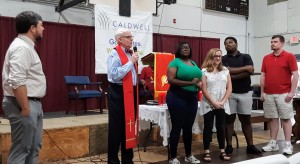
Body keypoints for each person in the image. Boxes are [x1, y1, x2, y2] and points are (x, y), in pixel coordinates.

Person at [2, 11, 46, 164]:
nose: (43, 29)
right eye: (41, 25)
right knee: (22, 149)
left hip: (31, 102)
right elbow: (17, 80)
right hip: (22, 103)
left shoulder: (26, 46)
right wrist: (25, 108)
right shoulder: (22, 48)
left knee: (33, 148)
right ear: (32, 28)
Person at [222, 36, 262, 156]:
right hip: (230, 93)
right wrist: (244, 70)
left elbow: (250, 71)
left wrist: (231, 72)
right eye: (225, 43)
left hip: (245, 93)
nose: (228, 45)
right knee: (229, 120)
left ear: (236, 44)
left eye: (230, 42)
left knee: (246, 120)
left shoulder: (246, 56)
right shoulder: (223, 59)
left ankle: (250, 145)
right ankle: (229, 145)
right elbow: (225, 73)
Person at [260, 35, 299, 155]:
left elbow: (295, 75)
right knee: (273, 119)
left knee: (286, 119)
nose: (272, 43)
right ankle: (273, 143)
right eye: (271, 41)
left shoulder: (289, 56)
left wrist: (292, 92)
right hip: (269, 94)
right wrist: (262, 92)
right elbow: (263, 76)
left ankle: (287, 144)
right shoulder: (266, 58)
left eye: (275, 42)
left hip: (284, 94)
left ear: (282, 43)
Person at [166, 41, 202, 164]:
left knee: (188, 127)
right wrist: (191, 83)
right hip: (177, 96)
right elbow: (171, 80)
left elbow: (197, 79)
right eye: (183, 47)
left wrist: (198, 84)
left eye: (187, 47)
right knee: (177, 126)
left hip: (192, 98)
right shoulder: (174, 62)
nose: (186, 49)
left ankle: (188, 155)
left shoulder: (193, 62)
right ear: (179, 50)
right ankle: (173, 157)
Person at [107, 28, 139, 164]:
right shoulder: (114, 54)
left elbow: (132, 75)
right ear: (119, 39)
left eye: (131, 37)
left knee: (128, 127)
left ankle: (127, 159)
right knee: (116, 128)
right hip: (118, 93)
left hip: (130, 93)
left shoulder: (130, 53)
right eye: (128, 37)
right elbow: (114, 75)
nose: (131, 39)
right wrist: (131, 62)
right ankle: (113, 160)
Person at [200, 48, 232, 162]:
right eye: (215, 56)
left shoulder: (225, 70)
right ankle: (206, 152)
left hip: (222, 102)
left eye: (219, 56)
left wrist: (223, 101)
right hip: (208, 102)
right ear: (210, 57)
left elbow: (229, 88)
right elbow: (204, 89)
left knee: (221, 127)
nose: (218, 58)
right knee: (207, 127)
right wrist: (213, 102)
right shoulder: (204, 71)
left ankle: (222, 151)